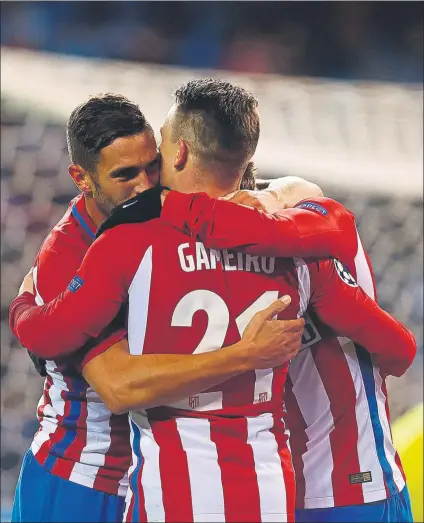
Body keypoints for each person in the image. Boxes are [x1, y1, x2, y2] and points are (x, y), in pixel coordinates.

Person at [10, 79, 416, 522]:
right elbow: (117, 386)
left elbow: (309, 199)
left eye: (153, 163)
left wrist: (267, 198)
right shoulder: (77, 252)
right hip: (85, 477)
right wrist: (244, 354)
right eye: (125, 175)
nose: (146, 184)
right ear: (81, 179)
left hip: (198, 484)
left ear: (176, 154)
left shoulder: (158, 238)